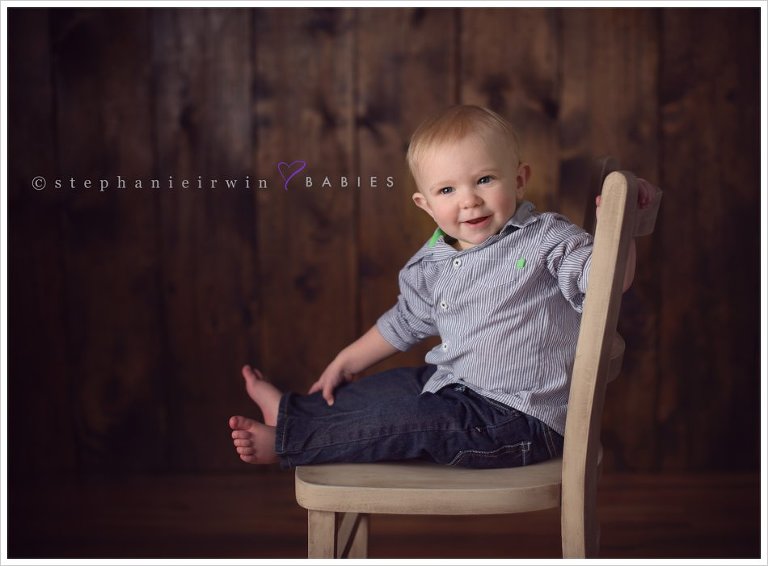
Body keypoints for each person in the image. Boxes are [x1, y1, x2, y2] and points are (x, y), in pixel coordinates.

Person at [229, 105, 657, 469]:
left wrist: (618, 231)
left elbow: (609, 281)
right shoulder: (434, 259)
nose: (468, 200)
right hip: (459, 387)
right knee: (395, 387)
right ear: (426, 204)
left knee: (408, 416)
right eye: (448, 190)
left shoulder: (546, 239)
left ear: (519, 179)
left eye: (485, 180)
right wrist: (347, 359)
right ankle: (290, 413)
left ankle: (287, 443)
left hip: (521, 419)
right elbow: (404, 321)